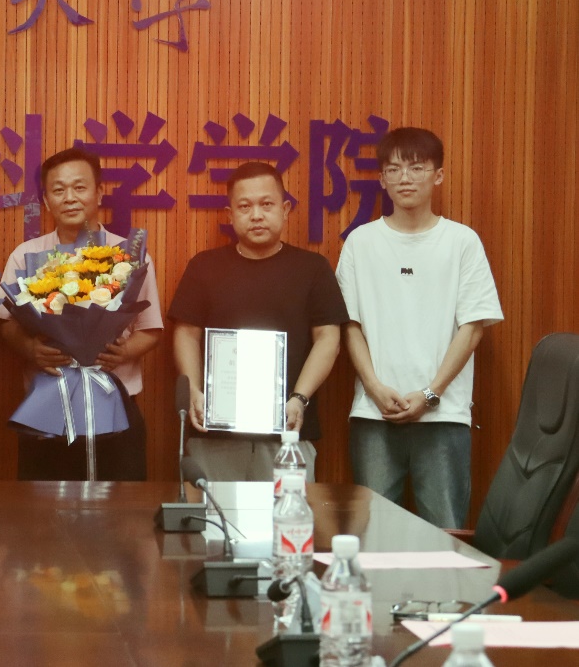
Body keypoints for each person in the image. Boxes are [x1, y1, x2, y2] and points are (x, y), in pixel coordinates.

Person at [337, 127, 503, 529]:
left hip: (443, 415)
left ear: (438, 175)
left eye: (416, 168)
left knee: (445, 534)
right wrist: (375, 388)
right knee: (372, 535)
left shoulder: (462, 241)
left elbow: (473, 327)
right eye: (394, 169)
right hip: (374, 414)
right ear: (382, 179)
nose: (405, 178)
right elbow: (349, 325)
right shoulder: (361, 242)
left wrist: (431, 394)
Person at [168, 161, 349, 481]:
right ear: (230, 214)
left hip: (288, 433)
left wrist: (300, 397)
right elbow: (186, 334)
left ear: (285, 209)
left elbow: (328, 339)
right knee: (211, 513)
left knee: (287, 513)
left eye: (267, 204)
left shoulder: (312, 268)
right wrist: (193, 388)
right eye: (245, 206)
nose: (256, 215)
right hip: (215, 435)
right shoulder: (204, 267)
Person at [0, 147, 163, 480]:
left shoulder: (130, 256)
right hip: (46, 406)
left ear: (99, 193)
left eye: (79, 187)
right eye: (58, 190)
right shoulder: (25, 255)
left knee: (121, 505)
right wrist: (30, 349)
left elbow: (150, 329)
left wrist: (122, 352)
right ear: (46, 201)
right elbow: (5, 322)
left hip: (116, 403)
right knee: (42, 508)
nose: (69, 198)